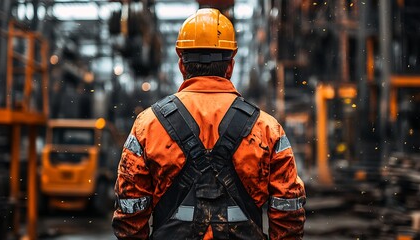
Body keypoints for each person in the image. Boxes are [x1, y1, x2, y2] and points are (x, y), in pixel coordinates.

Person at [112, 8, 306, 240]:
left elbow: (130, 210)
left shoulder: (148, 126)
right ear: (230, 65)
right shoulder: (267, 129)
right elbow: (288, 210)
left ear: (182, 65)